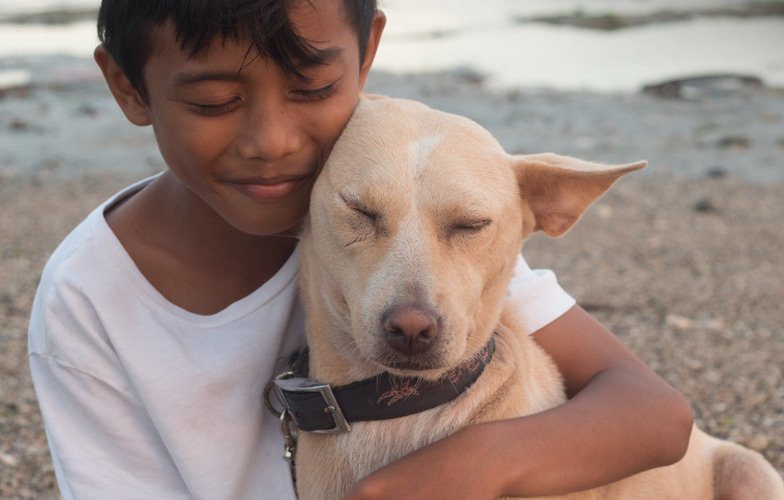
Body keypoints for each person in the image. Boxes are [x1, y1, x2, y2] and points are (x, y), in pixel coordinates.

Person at [27, 0, 693, 498]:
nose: (273, 141)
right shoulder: (88, 302)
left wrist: (469, 466)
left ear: (367, 50)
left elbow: (656, 414)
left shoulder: (415, 207)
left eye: (313, 89)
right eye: (214, 100)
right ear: (127, 86)